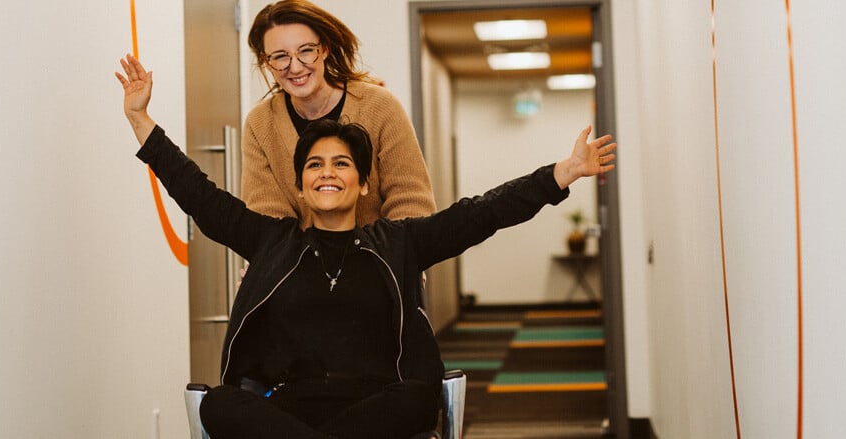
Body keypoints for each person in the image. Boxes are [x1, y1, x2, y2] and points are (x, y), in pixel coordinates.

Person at [116, 54, 616, 439]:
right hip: (291, 402)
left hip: (377, 402)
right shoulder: (270, 239)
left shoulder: (399, 241)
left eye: (341, 164)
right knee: (221, 404)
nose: (327, 172)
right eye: (314, 165)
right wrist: (142, 120)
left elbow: (483, 212)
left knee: (418, 400)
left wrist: (562, 174)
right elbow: (197, 193)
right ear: (301, 185)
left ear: (360, 185)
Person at [243, 0, 436, 229]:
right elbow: (268, 222)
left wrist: (376, 260)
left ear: (324, 49)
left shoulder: (380, 106)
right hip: (300, 264)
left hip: (381, 260)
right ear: (267, 61)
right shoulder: (260, 123)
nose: (295, 67)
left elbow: (411, 203)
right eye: (280, 56)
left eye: (306, 51)